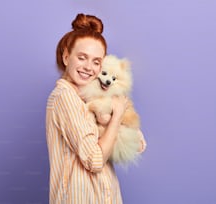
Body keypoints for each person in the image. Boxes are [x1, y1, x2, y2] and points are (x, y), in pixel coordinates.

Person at [45, 13, 146, 204]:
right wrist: (116, 117)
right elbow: (95, 161)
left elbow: (140, 145)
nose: (88, 67)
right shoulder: (64, 98)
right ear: (66, 57)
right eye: (82, 58)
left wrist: (111, 103)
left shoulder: (93, 95)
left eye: (97, 61)